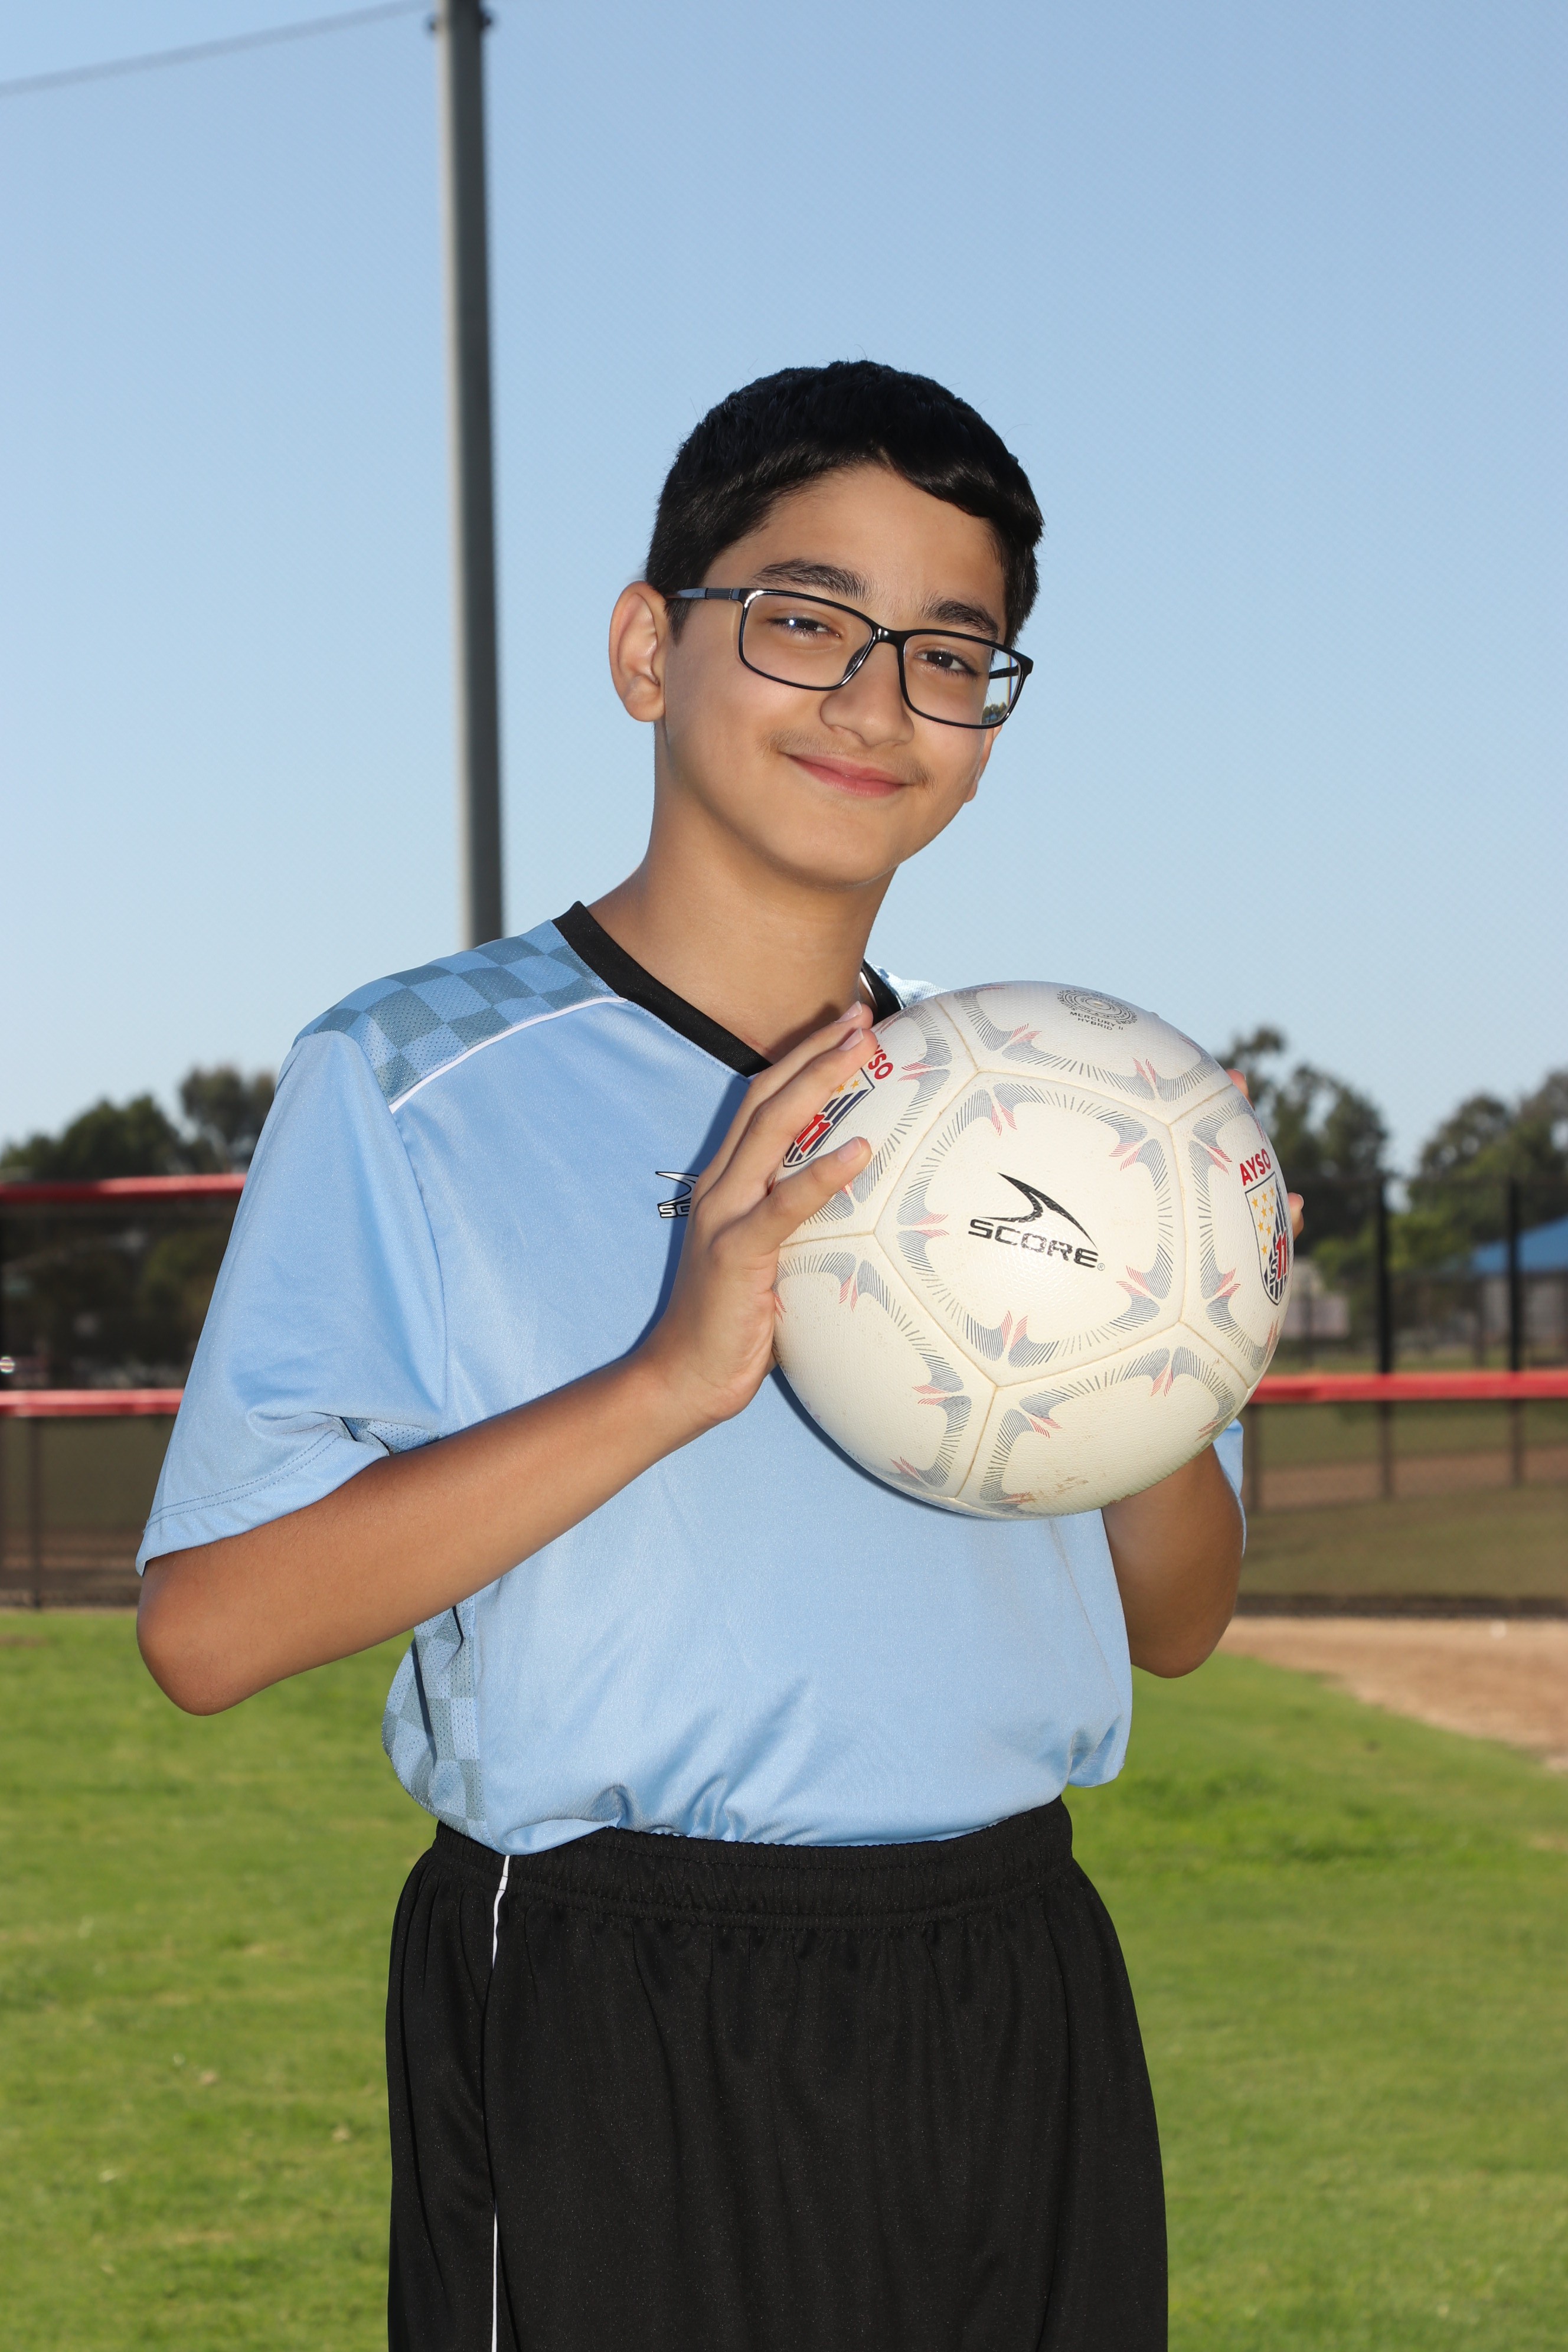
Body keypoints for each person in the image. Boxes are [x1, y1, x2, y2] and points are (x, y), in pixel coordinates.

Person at [138, 361, 1289, 2352]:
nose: (877, 701)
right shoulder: (412, 1076)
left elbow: (1178, 1625)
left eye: (951, 654)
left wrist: (1162, 1334)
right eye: (807, 620)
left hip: (1012, 1977)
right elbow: (208, 1631)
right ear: (646, 649)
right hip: (622, 2000)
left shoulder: (1047, 1107)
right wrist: (672, 1375)